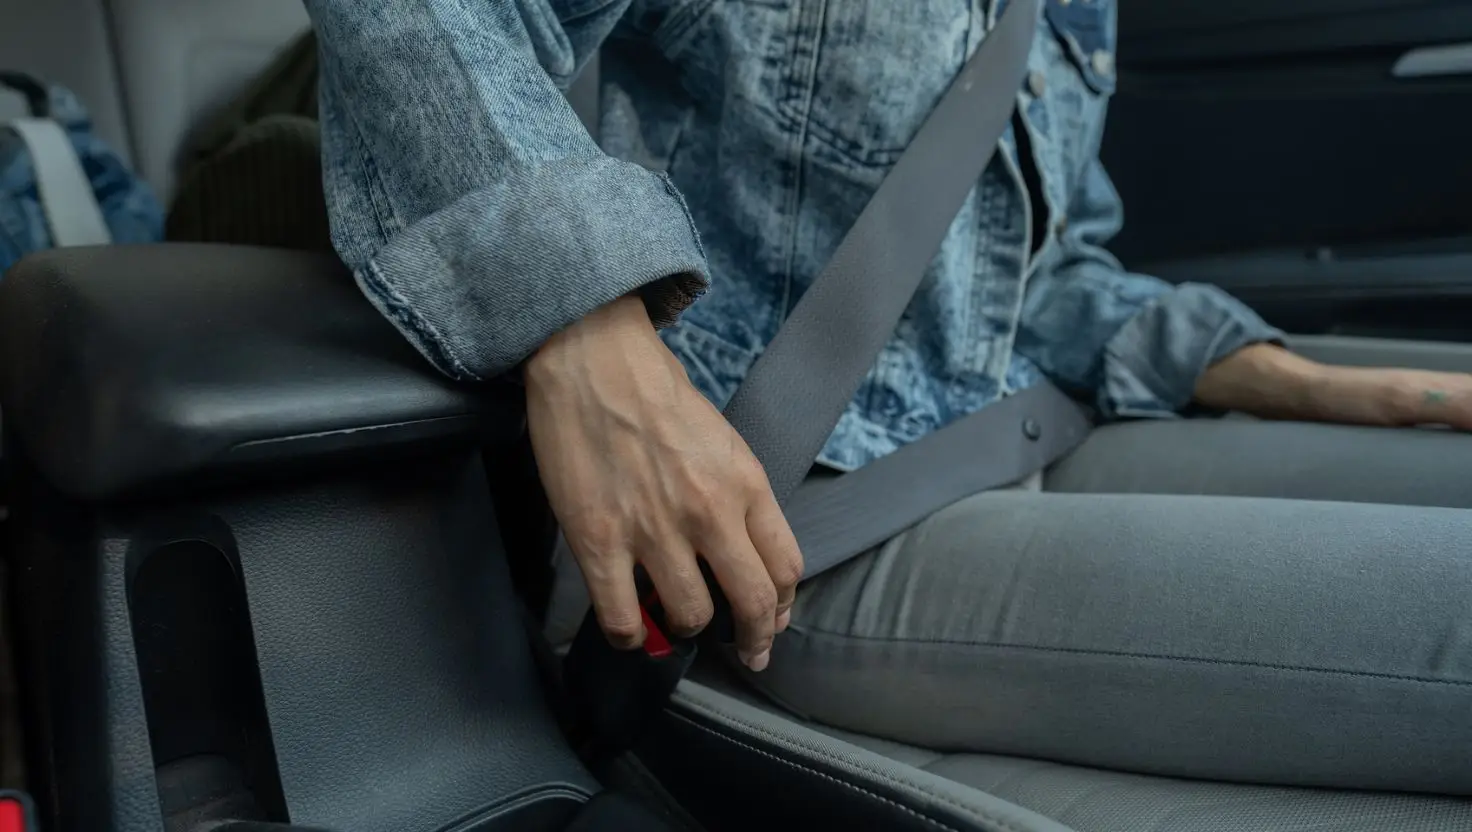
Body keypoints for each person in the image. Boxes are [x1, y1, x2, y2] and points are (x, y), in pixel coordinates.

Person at [304, 0, 1472, 792]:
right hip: (781, 524)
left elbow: (1039, 272)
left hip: (1007, 423)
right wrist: (588, 332)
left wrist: (1318, 384)